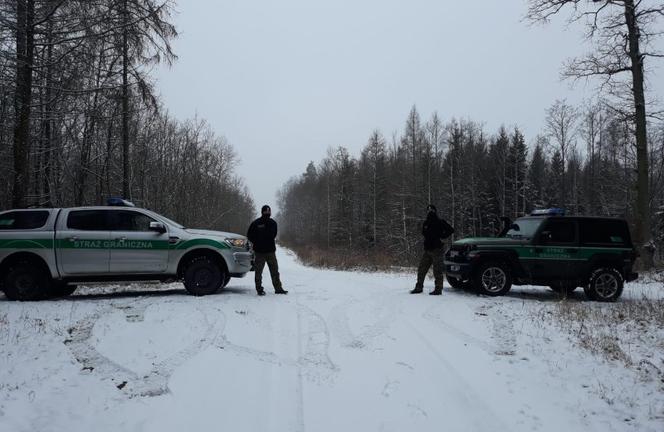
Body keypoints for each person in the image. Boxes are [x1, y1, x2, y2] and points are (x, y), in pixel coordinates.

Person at [410, 204, 454, 295]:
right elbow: (424, 233)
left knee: (437, 270)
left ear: (435, 211)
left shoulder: (440, 222)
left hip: (437, 249)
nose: (430, 211)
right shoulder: (426, 223)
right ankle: (418, 287)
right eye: (428, 210)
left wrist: (442, 236)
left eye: (431, 210)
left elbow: (451, 230)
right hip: (427, 250)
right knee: (422, 269)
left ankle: (438, 289)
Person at [247, 205, 288, 296]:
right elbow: (249, 235)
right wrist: (257, 242)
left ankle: (278, 289)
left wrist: (262, 237)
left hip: (270, 251)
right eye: (266, 212)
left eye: (269, 212)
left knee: (274, 271)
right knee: (258, 272)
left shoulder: (273, 223)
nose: (267, 213)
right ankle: (259, 289)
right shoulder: (256, 223)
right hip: (259, 252)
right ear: (262, 212)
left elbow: (272, 235)